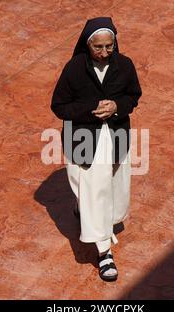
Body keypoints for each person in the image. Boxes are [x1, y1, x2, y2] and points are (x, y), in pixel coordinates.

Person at [50, 17, 142, 281]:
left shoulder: (124, 65)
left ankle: (87, 210)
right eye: (98, 47)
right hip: (84, 138)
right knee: (94, 190)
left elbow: (133, 96)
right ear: (87, 45)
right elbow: (59, 106)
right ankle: (104, 251)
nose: (104, 53)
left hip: (115, 137)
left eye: (109, 46)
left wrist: (116, 107)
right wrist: (90, 110)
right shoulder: (74, 69)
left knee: (113, 187)